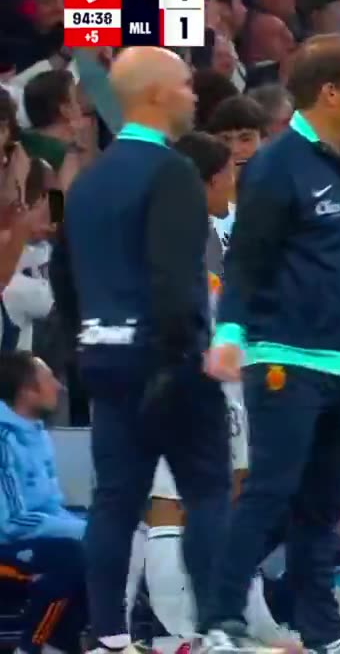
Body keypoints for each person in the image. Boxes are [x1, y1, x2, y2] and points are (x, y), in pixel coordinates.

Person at [201, 34, 340, 654]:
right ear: (329, 92)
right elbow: (247, 262)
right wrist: (230, 332)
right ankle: (219, 621)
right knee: (270, 493)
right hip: (285, 358)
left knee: (324, 506)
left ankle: (322, 631)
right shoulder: (278, 166)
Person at [50, 46, 231, 654]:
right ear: (155, 94)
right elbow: (174, 278)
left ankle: (109, 636)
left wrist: (88, 341)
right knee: (206, 491)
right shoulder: (173, 171)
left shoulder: (89, 178)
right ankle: (214, 631)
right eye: (184, 84)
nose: (194, 94)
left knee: (116, 500)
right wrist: (186, 354)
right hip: (168, 356)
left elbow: (63, 276)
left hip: (104, 356)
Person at [137, 132, 293, 646]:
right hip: (186, 374)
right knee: (170, 500)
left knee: (231, 494)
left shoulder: (199, 223)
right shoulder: (179, 228)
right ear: (206, 179)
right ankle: (185, 628)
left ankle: (237, 617)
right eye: (227, 171)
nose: (234, 179)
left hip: (222, 376)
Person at [0, 352, 86, 654]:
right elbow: (11, 522)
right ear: (27, 390)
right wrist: (83, 532)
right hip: (5, 545)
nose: (60, 387)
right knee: (71, 555)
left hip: (29, 541)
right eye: (49, 379)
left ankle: (60, 645)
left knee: (104, 551)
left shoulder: (37, 433)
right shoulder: (3, 438)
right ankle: (31, 647)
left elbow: (50, 508)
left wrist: (91, 528)